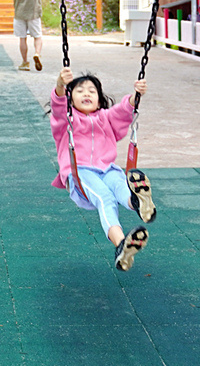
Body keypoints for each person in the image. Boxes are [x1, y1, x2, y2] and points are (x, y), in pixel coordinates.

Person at [49, 66, 156, 271]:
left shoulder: (106, 118)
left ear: (99, 99)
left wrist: (136, 95)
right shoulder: (66, 120)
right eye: (79, 91)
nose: (86, 93)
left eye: (92, 91)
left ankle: (138, 202)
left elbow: (124, 110)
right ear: (71, 99)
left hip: (108, 169)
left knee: (121, 186)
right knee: (105, 198)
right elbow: (58, 103)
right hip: (80, 173)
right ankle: (121, 244)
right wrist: (61, 84)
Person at [6, 0, 45, 70]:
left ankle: (25, 62)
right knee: (37, 36)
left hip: (19, 12)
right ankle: (37, 53)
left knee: (22, 38)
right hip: (34, 12)